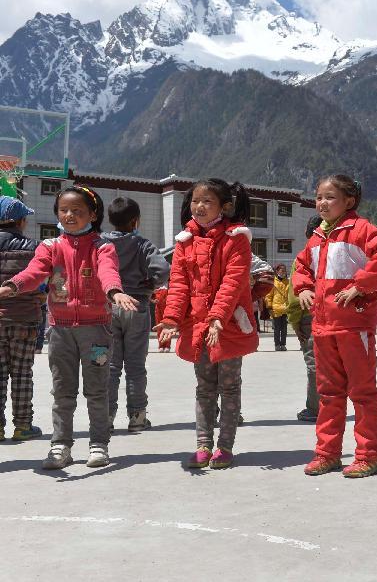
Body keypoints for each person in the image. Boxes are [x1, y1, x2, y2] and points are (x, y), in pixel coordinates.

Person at [0, 186, 137, 469]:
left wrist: (114, 291)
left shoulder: (102, 246)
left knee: (97, 390)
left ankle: (99, 444)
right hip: (60, 331)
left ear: (93, 214)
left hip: (97, 331)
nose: (70, 215)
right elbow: (34, 272)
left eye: (78, 210)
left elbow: (107, 271)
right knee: (62, 391)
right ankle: (60, 445)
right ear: (57, 213)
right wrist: (12, 286)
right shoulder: (49, 247)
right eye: (64, 210)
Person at [293, 175, 377, 478]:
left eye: (330, 197)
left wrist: (361, 285)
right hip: (323, 328)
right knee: (328, 394)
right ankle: (327, 453)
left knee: (363, 393)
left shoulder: (362, 230)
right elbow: (301, 266)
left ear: (349, 201)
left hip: (354, 328)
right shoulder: (317, 237)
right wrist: (302, 288)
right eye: (318, 197)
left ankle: (369, 456)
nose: (322, 203)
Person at [155, 178, 259, 470]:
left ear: (224, 207)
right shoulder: (184, 243)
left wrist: (217, 318)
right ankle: (203, 444)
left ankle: (224, 447)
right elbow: (178, 286)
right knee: (204, 388)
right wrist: (171, 319)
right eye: (194, 201)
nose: (198, 207)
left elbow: (234, 282)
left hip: (228, 327)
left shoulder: (237, 239)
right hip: (197, 327)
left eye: (207, 201)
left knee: (229, 387)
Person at [101, 197, 170, 433]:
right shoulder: (143, 244)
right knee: (135, 366)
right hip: (137, 306)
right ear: (135, 221)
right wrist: (149, 283)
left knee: (109, 365)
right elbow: (162, 270)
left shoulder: (100, 243)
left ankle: (107, 418)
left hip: (107, 307)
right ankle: (137, 417)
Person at [0, 197, 45, 442]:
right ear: (22, 221)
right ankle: (23, 426)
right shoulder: (34, 248)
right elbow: (42, 283)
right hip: (24, 320)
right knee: (21, 374)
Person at [288, 215, 323, 422]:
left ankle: (315, 408)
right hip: (335, 316)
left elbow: (294, 300)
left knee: (314, 365)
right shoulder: (338, 255)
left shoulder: (303, 257)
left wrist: (295, 323)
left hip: (309, 317)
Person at [266, 264, 290, 351]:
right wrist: (269, 307)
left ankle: (283, 344)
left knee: (284, 329)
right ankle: (277, 345)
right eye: (282, 270)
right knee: (277, 329)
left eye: (284, 270)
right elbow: (269, 295)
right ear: (277, 271)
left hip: (285, 308)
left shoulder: (287, 282)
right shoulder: (273, 282)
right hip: (275, 308)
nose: (283, 272)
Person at [153, 286, 170, 352]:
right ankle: (161, 346)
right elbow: (151, 296)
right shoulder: (156, 285)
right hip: (158, 309)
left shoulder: (169, 284)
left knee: (168, 326)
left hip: (167, 308)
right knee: (159, 328)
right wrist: (153, 300)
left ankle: (167, 346)